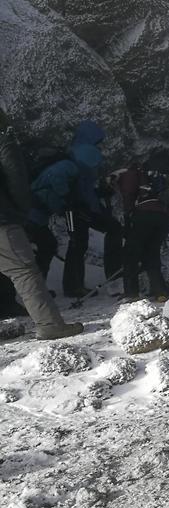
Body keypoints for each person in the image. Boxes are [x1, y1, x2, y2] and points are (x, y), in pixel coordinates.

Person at [0, 106, 83, 339]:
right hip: (2, 220)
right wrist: (20, 211)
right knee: (24, 270)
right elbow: (15, 176)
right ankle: (50, 325)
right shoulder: (4, 141)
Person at [61, 120, 123, 297]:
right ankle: (113, 273)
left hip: (77, 205)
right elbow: (83, 186)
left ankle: (73, 285)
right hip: (80, 206)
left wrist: (97, 195)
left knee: (78, 243)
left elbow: (82, 186)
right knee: (80, 242)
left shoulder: (73, 151)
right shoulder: (84, 152)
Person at [116, 148, 169, 301]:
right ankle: (160, 291)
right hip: (167, 217)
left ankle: (131, 293)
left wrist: (128, 214)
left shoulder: (137, 171)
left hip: (145, 214)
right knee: (152, 251)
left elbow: (128, 193)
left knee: (131, 252)